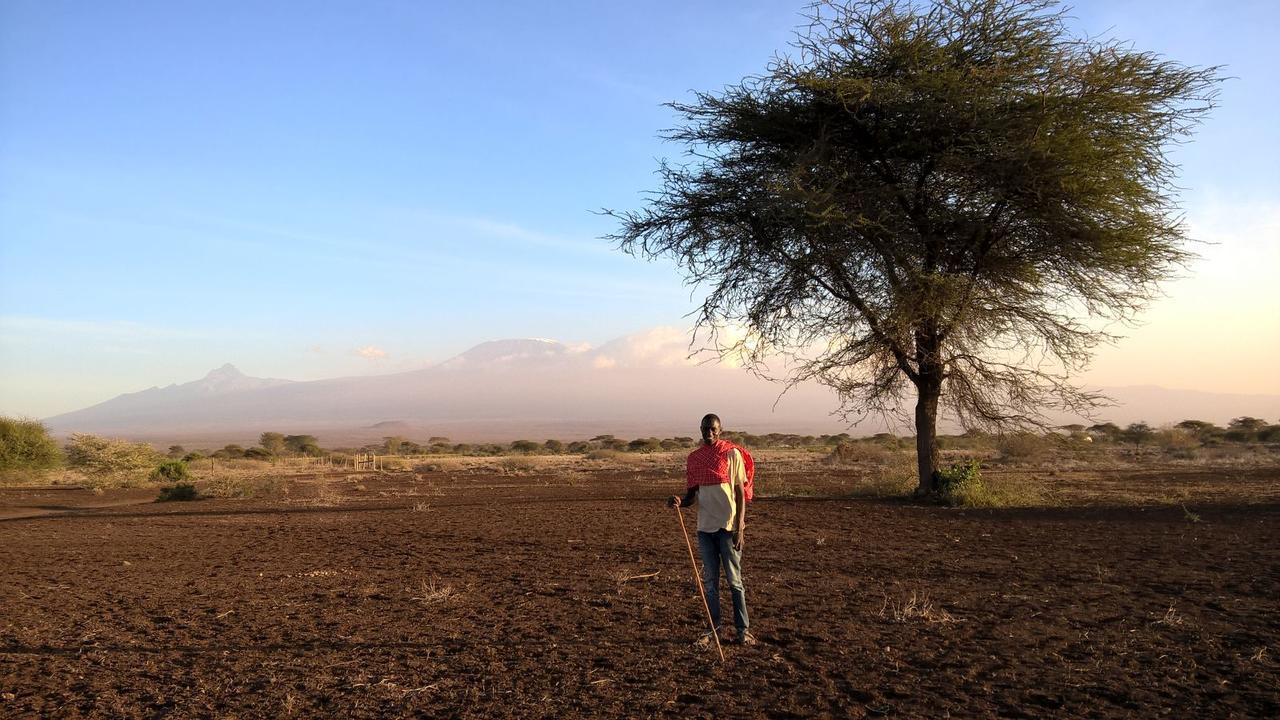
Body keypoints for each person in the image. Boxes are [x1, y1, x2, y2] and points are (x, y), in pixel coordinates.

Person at [668, 413, 756, 646]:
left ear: (720, 430)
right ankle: (712, 630)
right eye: (706, 429)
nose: (709, 433)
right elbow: (691, 496)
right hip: (704, 528)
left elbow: (740, 493)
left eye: (713, 429)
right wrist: (679, 501)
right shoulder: (694, 458)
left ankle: (742, 630)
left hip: (728, 526)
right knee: (710, 583)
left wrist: (740, 528)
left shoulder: (731, 454)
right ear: (700, 429)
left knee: (735, 582)